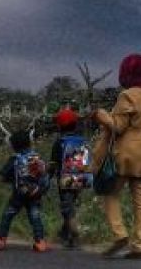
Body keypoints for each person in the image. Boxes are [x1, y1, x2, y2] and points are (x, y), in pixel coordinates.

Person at [92, 53, 141, 259]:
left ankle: (119, 234)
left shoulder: (128, 95)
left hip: (125, 156)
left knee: (110, 194)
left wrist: (101, 115)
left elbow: (117, 126)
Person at [0, 130, 51, 252]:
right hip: (35, 193)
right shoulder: (36, 157)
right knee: (35, 216)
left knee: (8, 215)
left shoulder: (14, 159)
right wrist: (40, 189)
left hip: (18, 195)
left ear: (14, 146)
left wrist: (7, 179)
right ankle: (40, 242)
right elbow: (44, 175)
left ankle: (1, 239)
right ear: (29, 143)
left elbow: (3, 176)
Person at [50, 106, 92, 249]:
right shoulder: (83, 141)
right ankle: (64, 232)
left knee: (67, 207)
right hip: (82, 177)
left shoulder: (60, 142)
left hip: (66, 178)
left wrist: (47, 177)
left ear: (60, 126)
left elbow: (53, 164)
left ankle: (74, 235)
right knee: (71, 204)